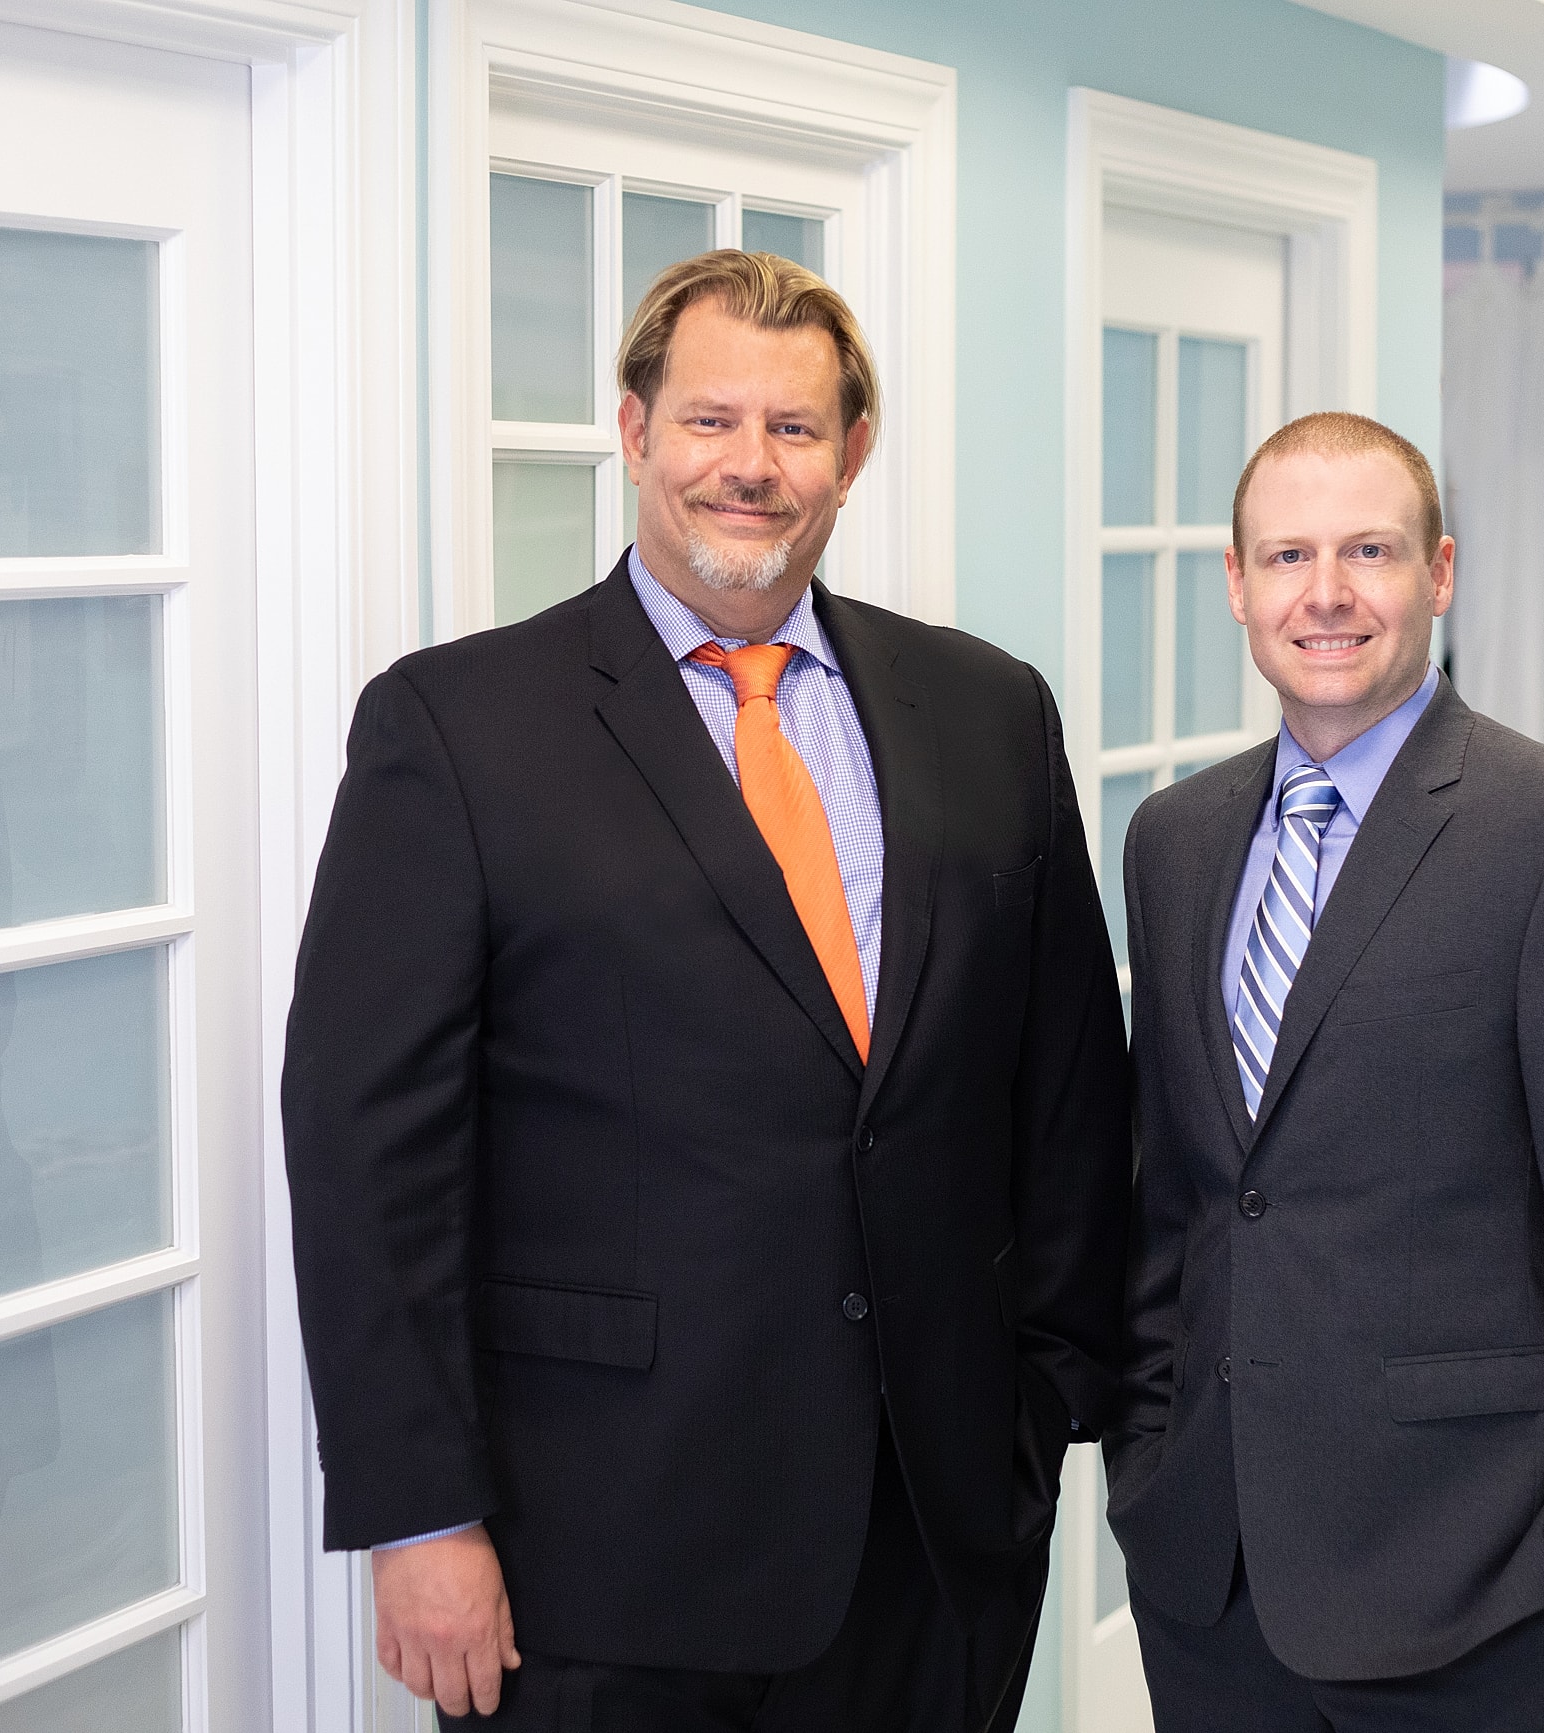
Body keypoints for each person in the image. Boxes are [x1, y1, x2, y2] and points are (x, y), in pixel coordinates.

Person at [283, 250, 1131, 1732]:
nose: (751, 466)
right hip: (599, 1553)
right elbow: (369, 1157)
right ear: (633, 431)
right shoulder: (458, 728)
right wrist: (421, 1518)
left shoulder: (991, 710)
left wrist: (1042, 1399)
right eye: (709, 420)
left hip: (932, 1536)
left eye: (796, 429)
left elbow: (1062, 1087)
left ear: (853, 454)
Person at [1106, 412, 1544, 1731]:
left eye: (1368, 550)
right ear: (1236, 584)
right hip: (1213, 1580)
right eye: (1285, 556)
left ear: (1439, 573)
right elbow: (1181, 1196)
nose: (1324, 593)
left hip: (1483, 1587)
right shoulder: (1174, 841)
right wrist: (1146, 1459)